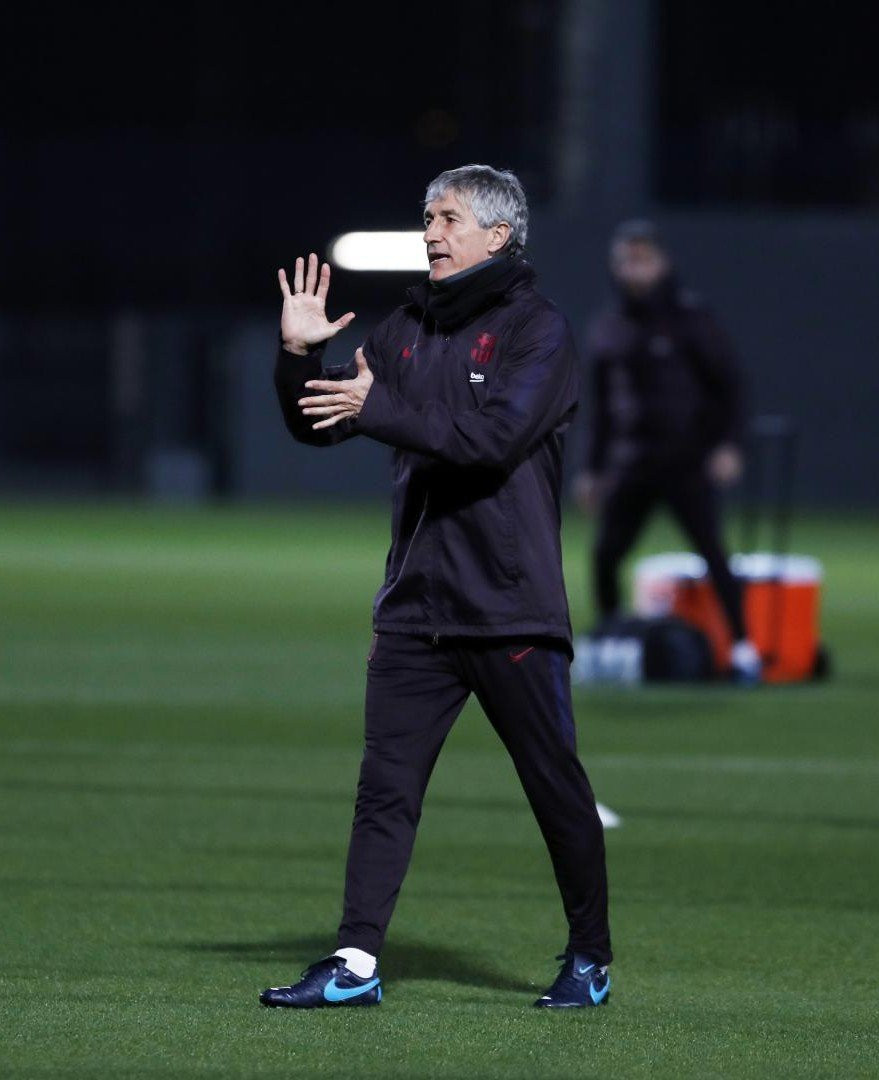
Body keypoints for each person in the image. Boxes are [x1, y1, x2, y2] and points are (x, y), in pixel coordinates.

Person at [260, 165, 612, 1008]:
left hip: (510, 605)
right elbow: (320, 422)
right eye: (426, 216)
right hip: (416, 606)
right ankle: (353, 962)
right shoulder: (408, 324)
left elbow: (487, 443)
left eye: (448, 218)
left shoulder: (539, 332)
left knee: (553, 786)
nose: (430, 232)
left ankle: (591, 956)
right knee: (385, 790)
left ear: (498, 235)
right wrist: (298, 353)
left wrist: (377, 408)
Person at [576, 220, 761, 681]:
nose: (633, 270)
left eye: (642, 259)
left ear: (662, 263)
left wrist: (728, 445)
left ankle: (743, 649)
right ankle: (612, 643)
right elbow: (600, 408)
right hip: (632, 464)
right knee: (604, 555)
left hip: (686, 462)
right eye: (626, 260)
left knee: (715, 556)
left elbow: (730, 387)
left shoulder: (690, 318)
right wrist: (593, 469)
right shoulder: (608, 327)